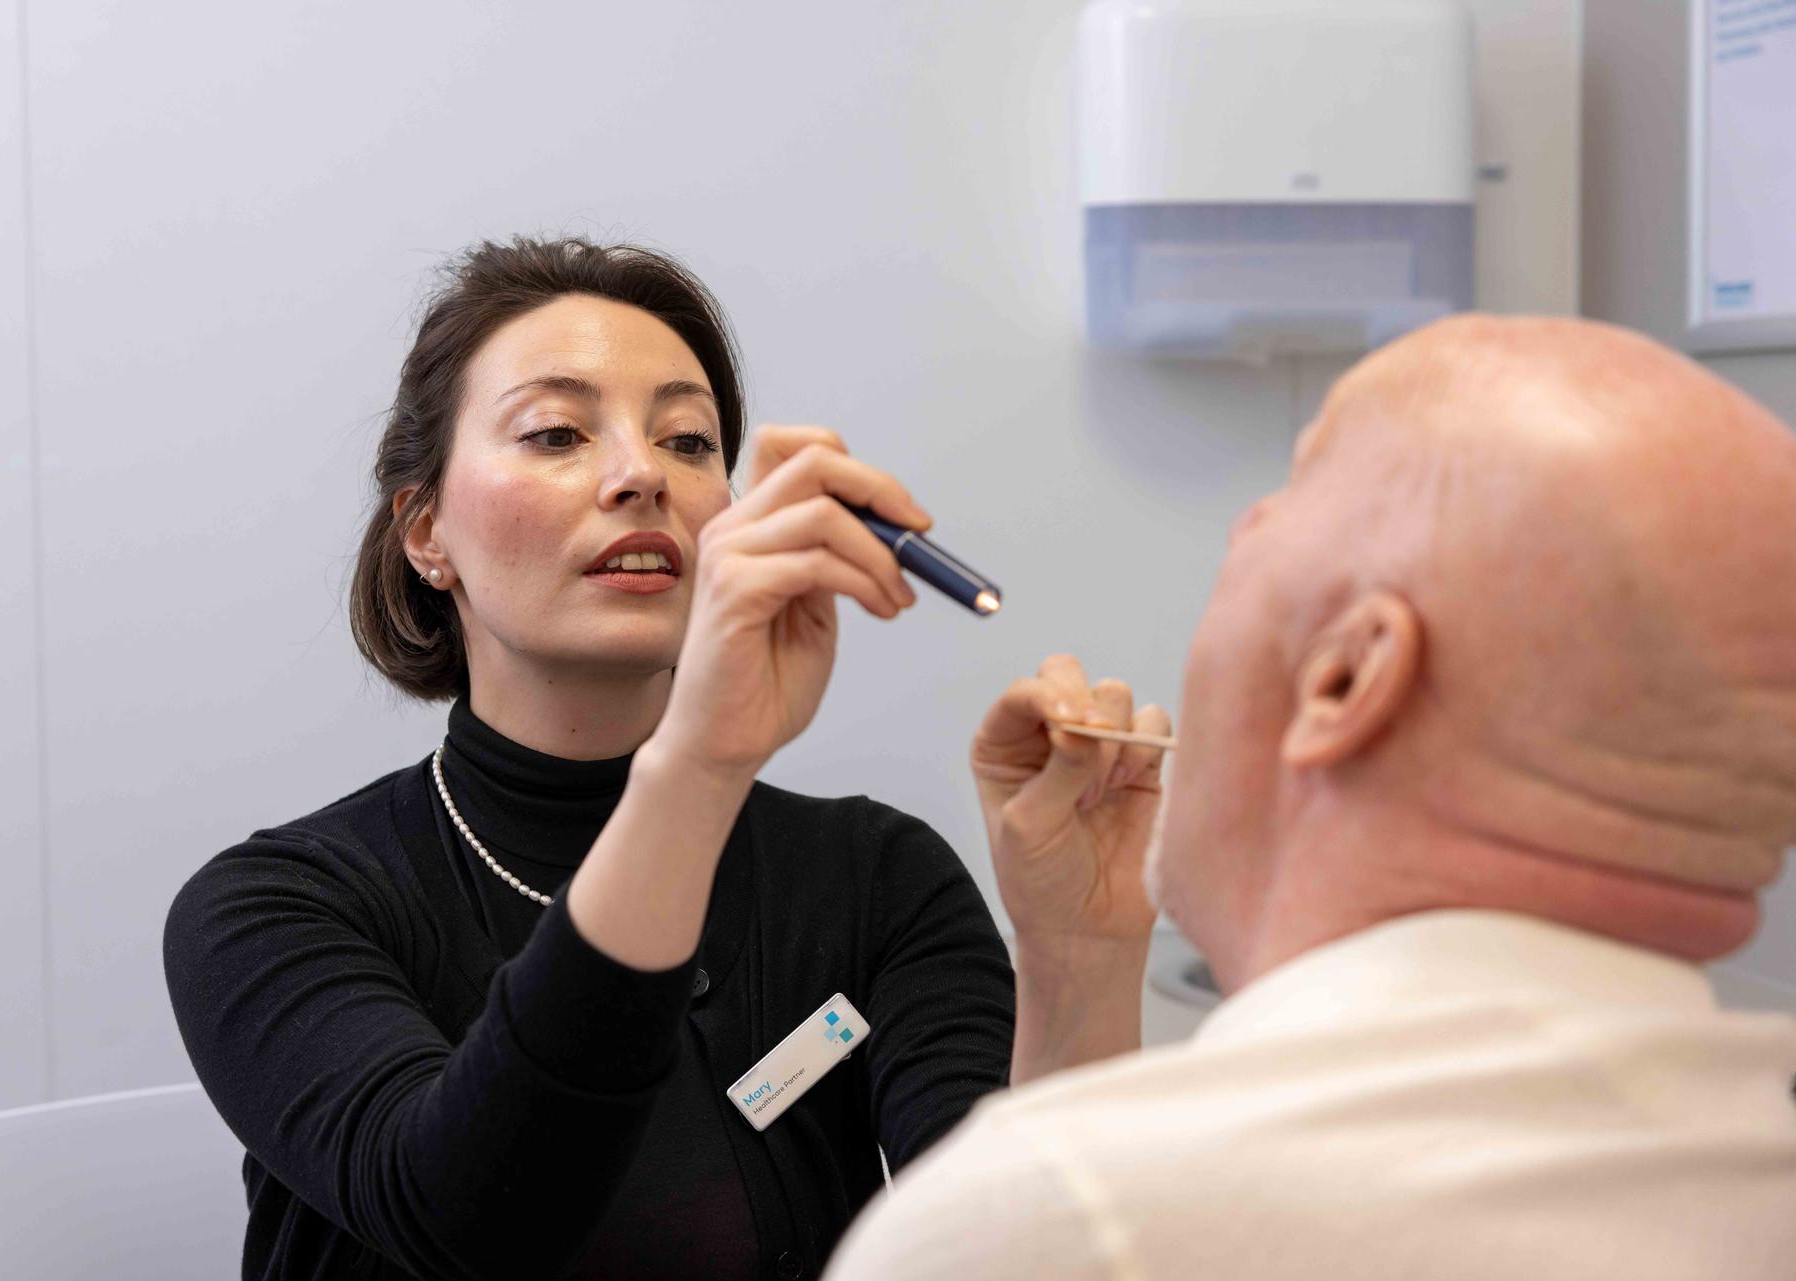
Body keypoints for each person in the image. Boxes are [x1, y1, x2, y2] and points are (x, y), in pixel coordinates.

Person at [827, 315, 1796, 1280]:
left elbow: (1098, 1217)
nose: (1244, 525)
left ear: (1345, 680)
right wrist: (1079, 959)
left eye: (1289, 495)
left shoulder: (1042, 1228)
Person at [164, 237, 1033, 1281]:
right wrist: (702, 764)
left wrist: (1083, 944)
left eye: (689, 441)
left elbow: (1015, 1250)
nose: (640, 476)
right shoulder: (273, 906)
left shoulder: (876, 879)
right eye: (558, 431)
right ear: (426, 533)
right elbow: (469, 1217)